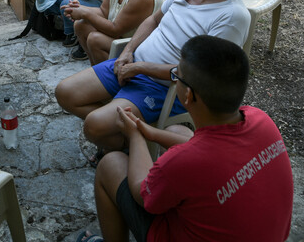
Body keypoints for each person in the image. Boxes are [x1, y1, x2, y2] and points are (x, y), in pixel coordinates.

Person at [55, 0, 251, 160]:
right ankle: (127, 131)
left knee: (93, 126)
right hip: (133, 63)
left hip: (162, 87)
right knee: (65, 93)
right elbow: (153, 20)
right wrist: (128, 52)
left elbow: (195, 76)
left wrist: (139, 68)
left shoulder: (231, 17)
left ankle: (128, 140)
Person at [82, 35, 293, 242]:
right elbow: (209, 151)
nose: (174, 78)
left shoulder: (182, 162)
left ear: (188, 95)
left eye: (176, 76)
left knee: (110, 165)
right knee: (177, 131)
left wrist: (135, 136)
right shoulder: (261, 119)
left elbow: (142, 193)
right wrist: (151, 133)